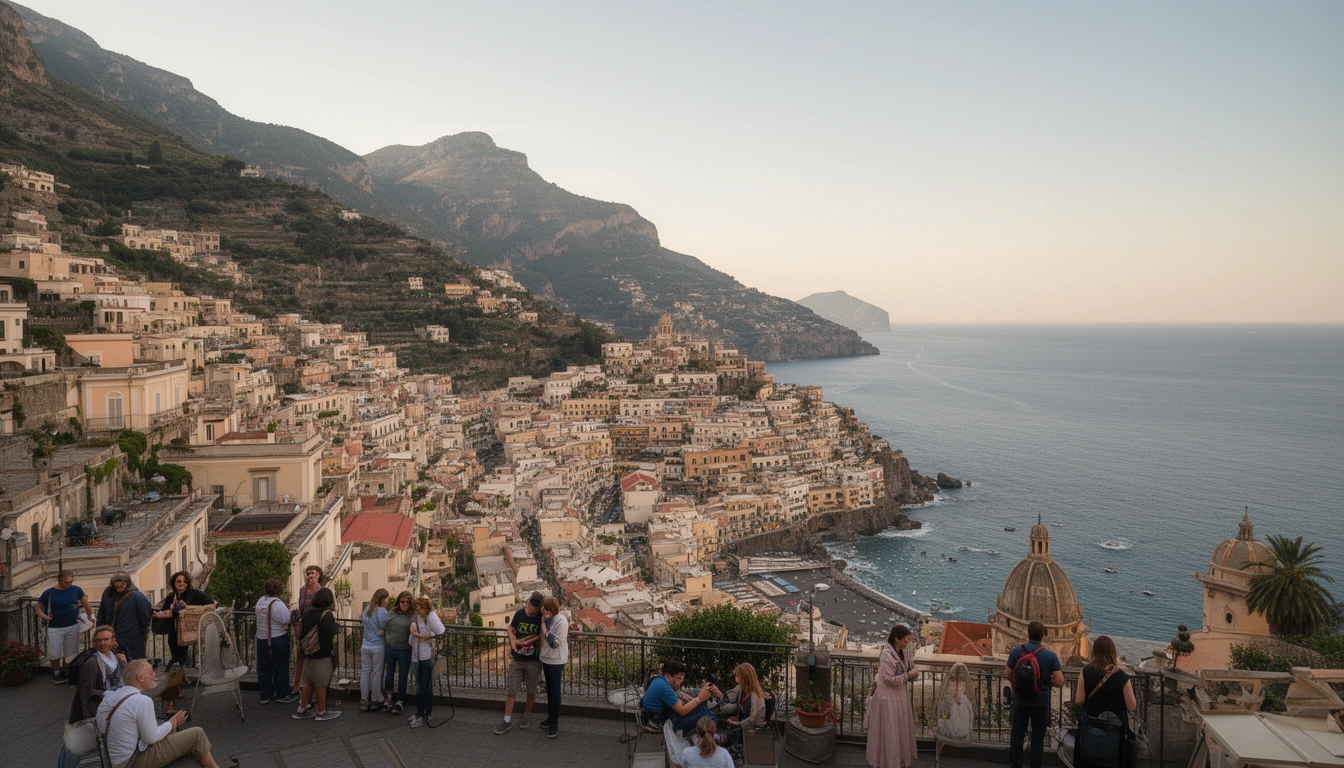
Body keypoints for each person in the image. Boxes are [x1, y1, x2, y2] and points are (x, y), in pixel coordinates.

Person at [98, 659, 220, 768]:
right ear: (140, 677)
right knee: (197, 734)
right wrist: (172, 723)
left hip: (113, 760)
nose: (154, 675)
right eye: (151, 673)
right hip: (132, 761)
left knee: (171, 735)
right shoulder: (142, 701)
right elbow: (151, 738)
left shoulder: (109, 697)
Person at [1005, 621, 1065, 768]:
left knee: (1017, 734)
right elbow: (1060, 681)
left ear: (1028, 633)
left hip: (1020, 700)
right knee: (1037, 737)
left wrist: (1016, 684)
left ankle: (1015, 765)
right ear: (1043, 636)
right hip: (1040, 702)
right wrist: (1047, 681)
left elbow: (1007, 673)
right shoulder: (1050, 655)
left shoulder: (1016, 651)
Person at [1074, 635, 1137, 768]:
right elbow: (1132, 706)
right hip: (1115, 731)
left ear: (1095, 652)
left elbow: (1079, 700)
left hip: (1091, 727)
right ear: (1112, 652)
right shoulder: (1121, 676)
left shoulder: (1086, 671)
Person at [866, 625, 919, 768]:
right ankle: (887, 762)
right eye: (906, 640)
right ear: (897, 639)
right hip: (887, 698)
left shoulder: (904, 652)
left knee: (899, 728)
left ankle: (898, 760)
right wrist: (908, 675)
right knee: (889, 730)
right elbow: (887, 679)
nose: (908, 642)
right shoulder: (886, 654)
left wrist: (912, 672)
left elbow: (909, 666)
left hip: (899, 696)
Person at [36, 570, 94, 683]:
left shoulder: (76, 589)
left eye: (71, 581)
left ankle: (67, 671)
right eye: (67, 582)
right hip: (54, 626)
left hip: (73, 625)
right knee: (54, 651)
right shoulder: (49, 592)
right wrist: (44, 617)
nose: (69, 584)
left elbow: (86, 603)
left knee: (71, 651)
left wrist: (89, 615)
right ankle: (56, 672)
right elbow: (38, 607)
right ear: (60, 580)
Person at [292, 587, 340, 721]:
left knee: (310, 681)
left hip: (308, 652)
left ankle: (302, 708)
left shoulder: (308, 612)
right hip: (321, 654)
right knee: (321, 684)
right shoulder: (327, 614)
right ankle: (321, 712)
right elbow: (327, 634)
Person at [153, 571, 215, 671]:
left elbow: (212, 604)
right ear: (174, 583)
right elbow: (164, 610)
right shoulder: (170, 597)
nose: (182, 583)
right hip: (174, 631)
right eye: (179, 581)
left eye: (185, 581)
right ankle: (177, 675)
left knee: (182, 656)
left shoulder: (194, 594)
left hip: (188, 631)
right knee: (175, 653)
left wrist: (191, 609)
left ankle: (179, 675)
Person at [641, 659, 722, 735]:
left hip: (655, 715)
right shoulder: (663, 686)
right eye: (678, 678)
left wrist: (697, 700)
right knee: (709, 717)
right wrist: (699, 699)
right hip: (658, 721)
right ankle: (706, 744)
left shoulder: (659, 680)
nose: (680, 682)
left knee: (701, 710)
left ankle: (701, 741)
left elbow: (677, 698)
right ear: (668, 675)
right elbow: (682, 711)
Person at [69, 625, 126, 723]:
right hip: (98, 707)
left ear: (113, 640)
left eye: (106, 639)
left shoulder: (115, 656)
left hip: (115, 703)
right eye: (98, 640)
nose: (102, 643)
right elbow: (85, 691)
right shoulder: (92, 663)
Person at [95, 572, 152, 662]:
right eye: (116, 587)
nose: (119, 589)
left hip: (132, 639)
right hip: (114, 638)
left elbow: (145, 617)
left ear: (127, 584)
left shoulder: (137, 596)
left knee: (134, 664)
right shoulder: (108, 594)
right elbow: (102, 613)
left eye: (121, 586)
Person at [254, 578, 293, 705]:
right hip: (277, 638)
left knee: (264, 667)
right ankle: (283, 693)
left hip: (261, 638)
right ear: (280, 591)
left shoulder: (260, 601)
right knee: (280, 666)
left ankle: (265, 694)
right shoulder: (277, 604)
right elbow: (285, 619)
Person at [408, 596, 445, 728]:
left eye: (418, 607)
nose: (416, 609)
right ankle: (421, 712)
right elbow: (413, 624)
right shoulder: (419, 617)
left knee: (425, 686)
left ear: (424, 608)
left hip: (426, 656)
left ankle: (424, 713)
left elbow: (441, 632)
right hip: (417, 655)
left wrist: (427, 636)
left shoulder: (431, 617)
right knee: (419, 685)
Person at [289, 565, 323, 699]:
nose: (310, 575)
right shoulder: (302, 590)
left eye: (313, 573)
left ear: (318, 575)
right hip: (304, 628)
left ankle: (313, 687)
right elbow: (301, 608)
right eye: (308, 573)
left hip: (316, 628)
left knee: (314, 659)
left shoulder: (322, 591)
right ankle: (296, 686)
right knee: (300, 657)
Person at [538, 596, 569, 738]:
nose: (544, 613)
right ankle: (550, 719)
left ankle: (555, 723)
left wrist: (545, 629)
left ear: (552, 610)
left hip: (556, 660)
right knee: (549, 691)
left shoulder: (561, 621)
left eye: (546, 610)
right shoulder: (546, 618)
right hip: (546, 659)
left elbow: (554, 642)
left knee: (555, 691)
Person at [380, 591, 414, 714]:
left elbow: (413, 629)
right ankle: (388, 699)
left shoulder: (412, 615)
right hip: (391, 648)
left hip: (404, 650)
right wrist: (388, 639)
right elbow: (387, 626)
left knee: (402, 676)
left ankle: (399, 701)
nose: (404, 604)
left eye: (407, 602)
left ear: (411, 603)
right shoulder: (393, 612)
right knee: (389, 673)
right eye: (402, 602)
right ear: (398, 602)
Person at [360, 588, 390, 712]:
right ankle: (375, 698)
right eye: (387, 598)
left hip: (365, 644)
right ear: (382, 599)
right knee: (377, 672)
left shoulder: (367, 609)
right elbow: (385, 627)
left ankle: (363, 699)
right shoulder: (382, 611)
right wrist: (383, 631)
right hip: (377, 645)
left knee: (365, 672)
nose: (388, 601)